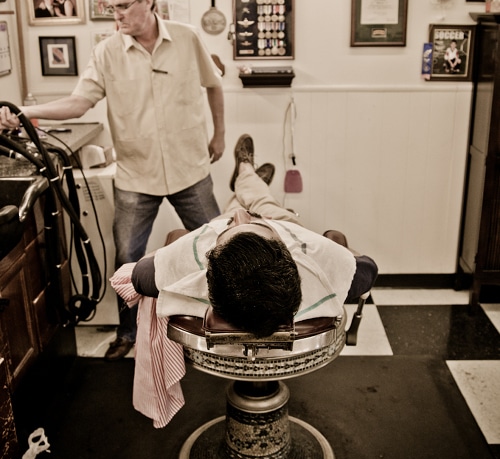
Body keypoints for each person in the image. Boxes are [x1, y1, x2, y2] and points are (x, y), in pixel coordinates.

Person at [0, 0, 225, 360]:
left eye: (123, 6)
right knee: (127, 260)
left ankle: (226, 320)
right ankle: (128, 333)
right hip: (136, 175)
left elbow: (214, 85)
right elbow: (79, 102)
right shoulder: (106, 52)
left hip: (191, 170)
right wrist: (26, 112)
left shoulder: (188, 38)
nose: (117, 15)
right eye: (112, 8)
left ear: (148, 2)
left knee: (219, 248)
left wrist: (220, 135)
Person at [131, 133, 378, 337]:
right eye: (257, 226)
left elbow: (140, 273)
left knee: (236, 206)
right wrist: (332, 248)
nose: (243, 216)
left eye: (232, 228)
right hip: (283, 222)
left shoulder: (194, 262)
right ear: (287, 253)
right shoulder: (313, 258)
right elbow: (367, 268)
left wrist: (177, 248)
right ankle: (249, 178)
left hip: (234, 232)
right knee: (263, 203)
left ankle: (246, 175)